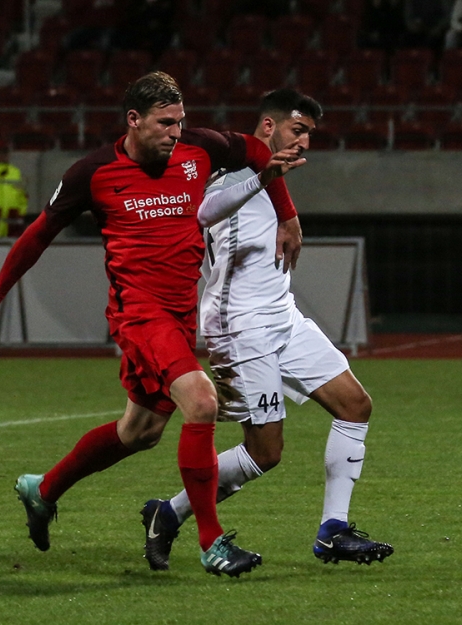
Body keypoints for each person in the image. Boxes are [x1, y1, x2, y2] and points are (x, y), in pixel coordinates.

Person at [0, 72, 305, 578]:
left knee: (139, 432)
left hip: (179, 314)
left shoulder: (200, 148)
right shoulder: (93, 173)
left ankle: (43, 489)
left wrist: (287, 216)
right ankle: (212, 543)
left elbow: (260, 155)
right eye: (164, 123)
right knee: (202, 402)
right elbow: (39, 232)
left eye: (179, 122)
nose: (175, 133)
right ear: (134, 120)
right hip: (139, 314)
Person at [140, 88, 394, 572]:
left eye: (310, 134)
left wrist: (282, 204)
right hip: (241, 326)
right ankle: (168, 514)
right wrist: (265, 182)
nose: (305, 142)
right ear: (269, 126)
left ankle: (333, 531)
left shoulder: (272, 179)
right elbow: (203, 211)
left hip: (283, 317)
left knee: (355, 405)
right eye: (298, 130)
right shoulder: (229, 173)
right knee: (265, 452)